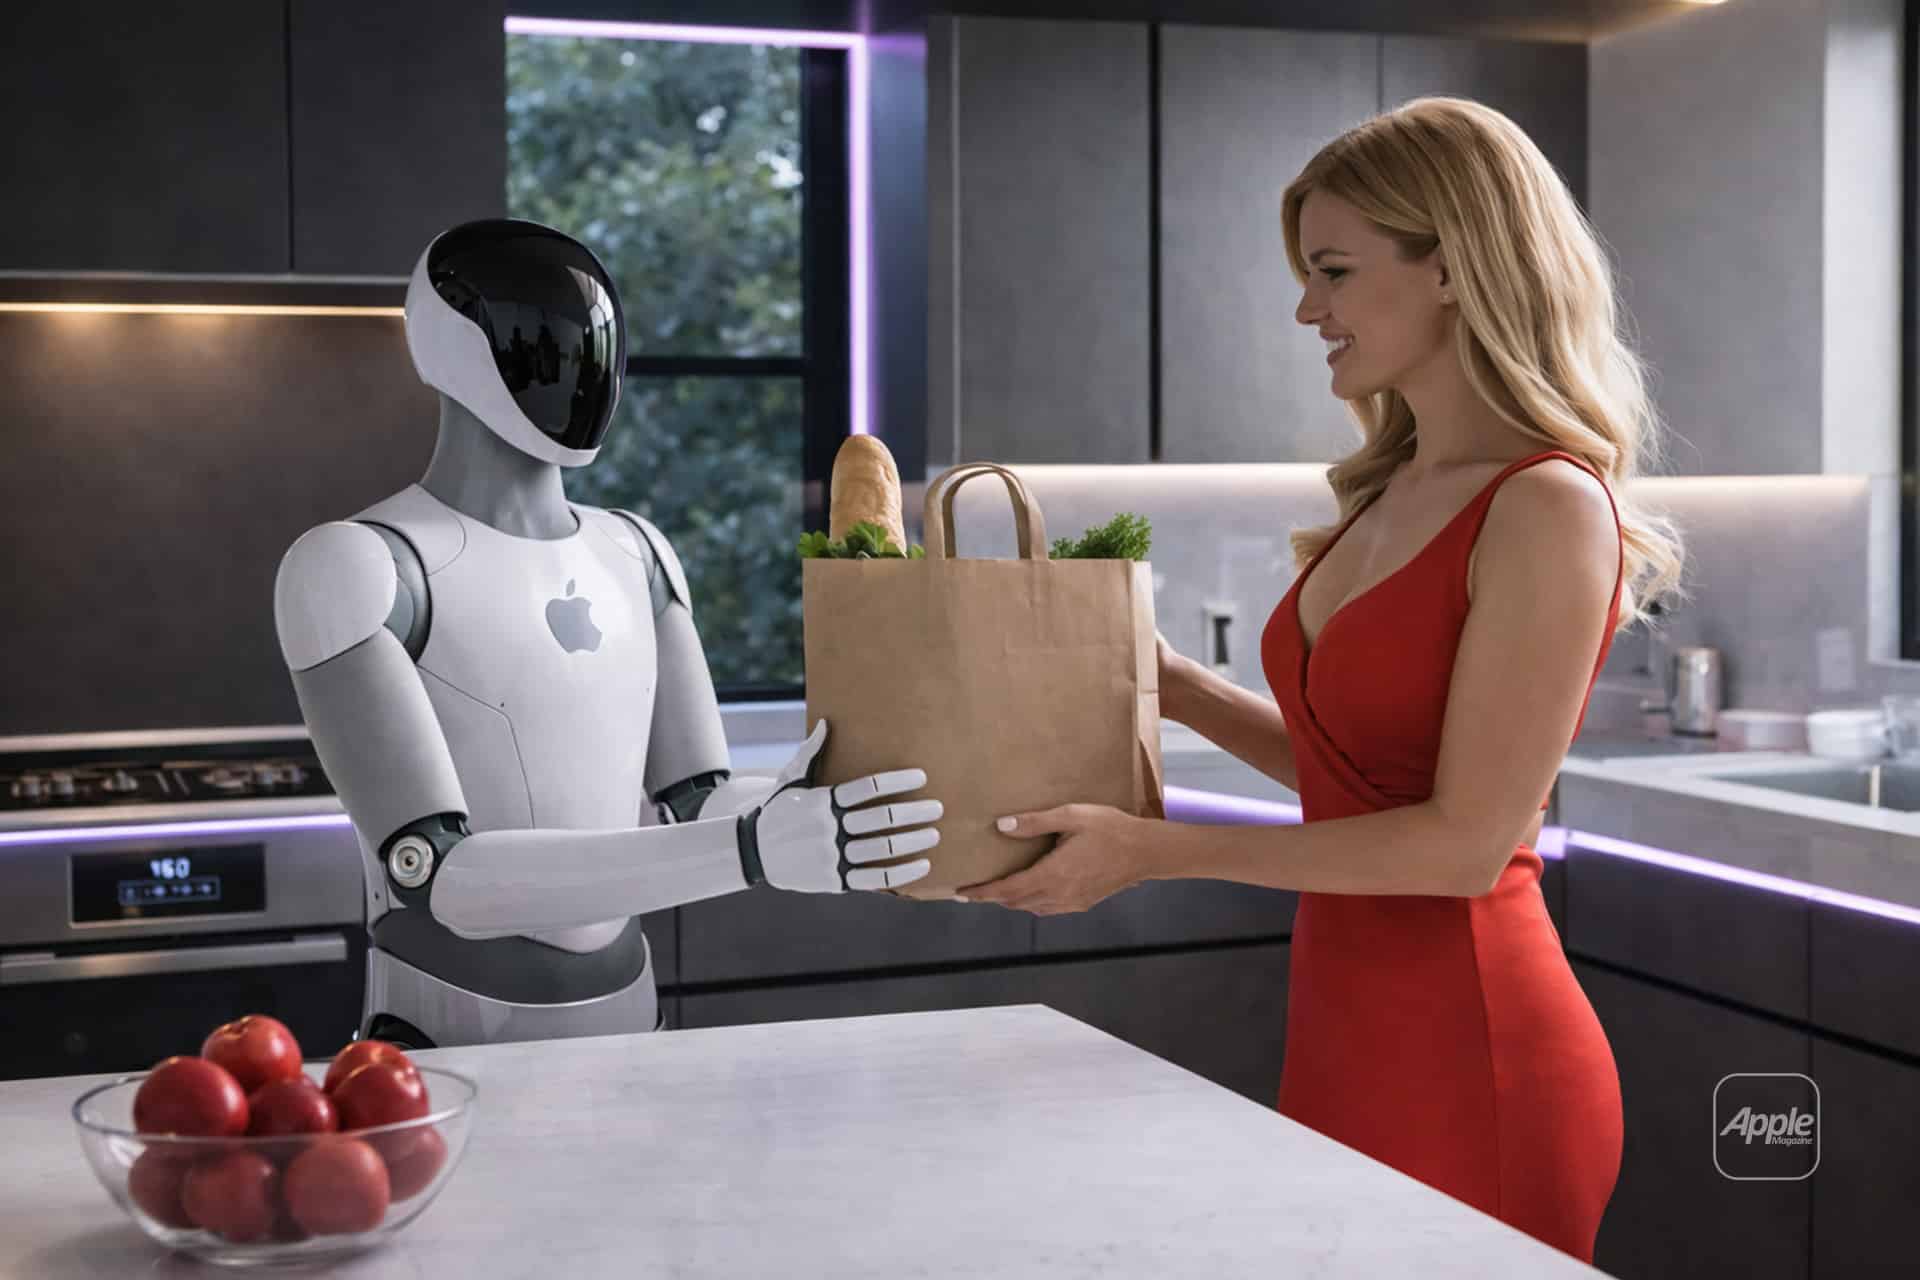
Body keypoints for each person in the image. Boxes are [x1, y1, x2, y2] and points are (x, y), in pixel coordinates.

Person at [957, 97, 1686, 1264]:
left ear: (1450, 266)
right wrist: (1177, 685)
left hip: (1474, 1049)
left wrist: (1154, 849)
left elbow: (1461, 845)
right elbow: (1360, 786)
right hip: (1349, 1027)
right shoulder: (1393, 489)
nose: (1308, 309)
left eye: (1335, 271)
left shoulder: (1546, 504)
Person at [274, 219, 940, 1049]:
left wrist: (820, 809)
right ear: (445, 343)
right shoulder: (358, 567)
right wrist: (751, 849)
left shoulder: (637, 551)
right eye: (545, 344)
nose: (575, 372)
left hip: (634, 1025)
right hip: (447, 1044)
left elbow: (696, 801)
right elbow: (441, 879)